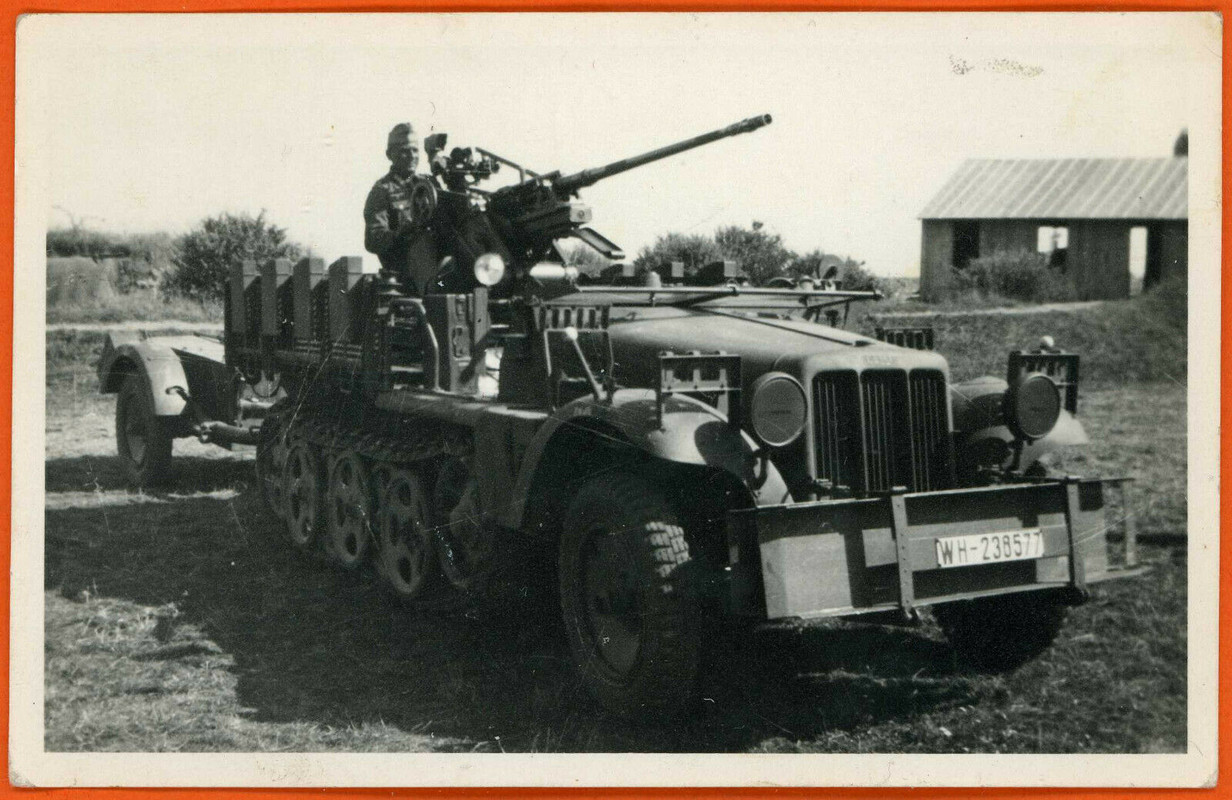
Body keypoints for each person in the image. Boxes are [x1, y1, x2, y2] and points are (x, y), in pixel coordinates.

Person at [363, 122, 429, 290]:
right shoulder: (382, 190)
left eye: (415, 150)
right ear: (390, 154)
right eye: (405, 151)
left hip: (435, 268)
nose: (412, 156)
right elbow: (373, 240)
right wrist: (402, 233)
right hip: (404, 278)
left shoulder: (428, 186)